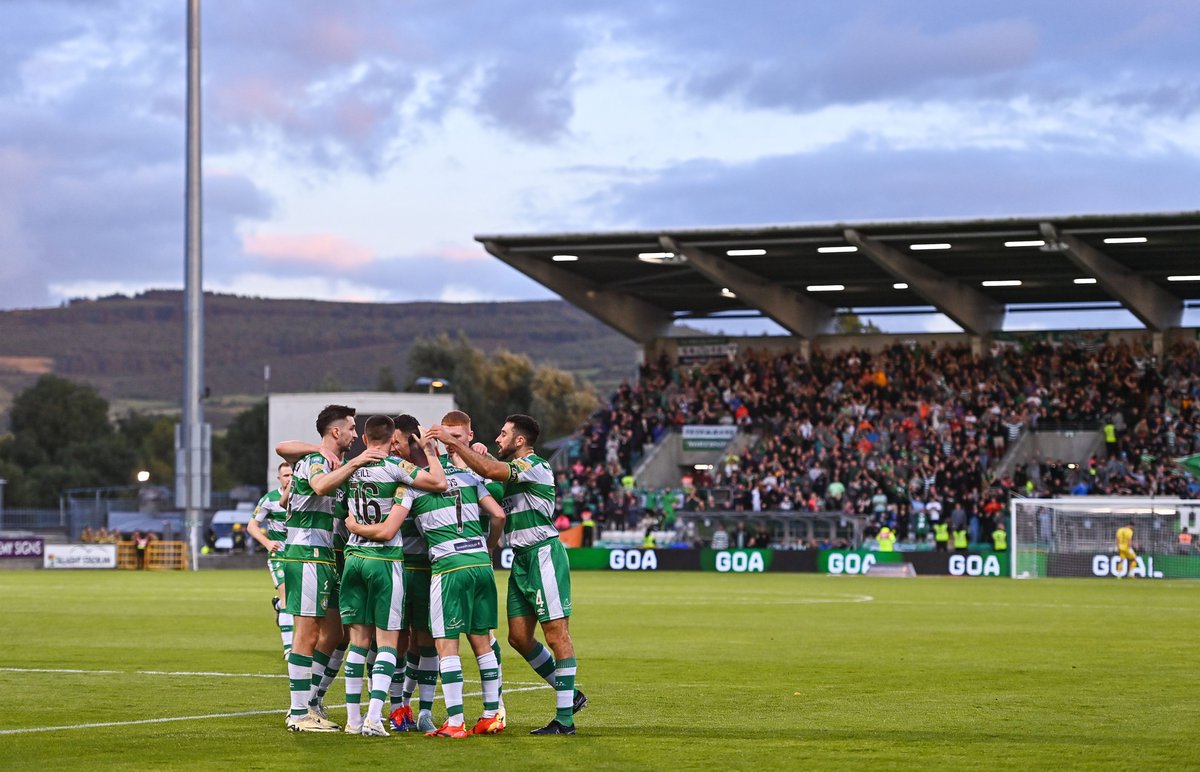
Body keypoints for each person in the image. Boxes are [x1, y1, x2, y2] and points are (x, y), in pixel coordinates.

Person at [429, 414, 587, 735]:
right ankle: (569, 693)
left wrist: (450, 442)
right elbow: (486, 489)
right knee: (518, 638)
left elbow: (489, 471)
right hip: (521, 560)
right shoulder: (509, 475)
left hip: (543, 554)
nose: (498, 439)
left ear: (519, 441)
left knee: (557, 636)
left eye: (503, 434)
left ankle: (565, 720)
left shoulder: (535, 466)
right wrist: (474, 458)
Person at [350, 417, 506, 739]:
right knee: (480, 639)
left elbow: (388, 529)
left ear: (415, 443)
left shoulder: (410, 485)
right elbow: (499, 514)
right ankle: (491, 714)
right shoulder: (466, 475)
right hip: (478, 561)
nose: (394, 447)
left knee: (441, 643)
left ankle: (453, 721)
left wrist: (356, 528)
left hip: (442, 566)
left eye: (399, 442)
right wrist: (487, 547)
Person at [274, 404, 386, 732]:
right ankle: (298, 713)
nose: (355, 434)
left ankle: (310, 702)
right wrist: (351, 462)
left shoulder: (330, 463)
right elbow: (321, 486)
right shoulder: (316, 460)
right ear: (336, 431)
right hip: (307, 554)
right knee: (307, 633)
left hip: (323, 558)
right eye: (351, 428)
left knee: (335, 634)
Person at [338, 414, 448, 737]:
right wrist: (428, 450)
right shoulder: (397, 470)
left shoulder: (353, 469)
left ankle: (352, 720)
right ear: (391, 439)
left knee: (358, 645)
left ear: (364, 438)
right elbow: (439, 482)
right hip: (383, 561)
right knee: (388, 643)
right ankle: (374, 717)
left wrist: (355, 527)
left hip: (353, 559)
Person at [247, 462, 294, 660]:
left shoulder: (303, 497)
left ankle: (279, 608)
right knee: (286, 598)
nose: (289, 478)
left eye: (291, 474)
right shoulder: (270, 499)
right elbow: (252, 526)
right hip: (279, 555)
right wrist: (267, 542)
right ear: (279, 478)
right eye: (285, 475)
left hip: (299, 555)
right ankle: (289, 648)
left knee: (298, 600)